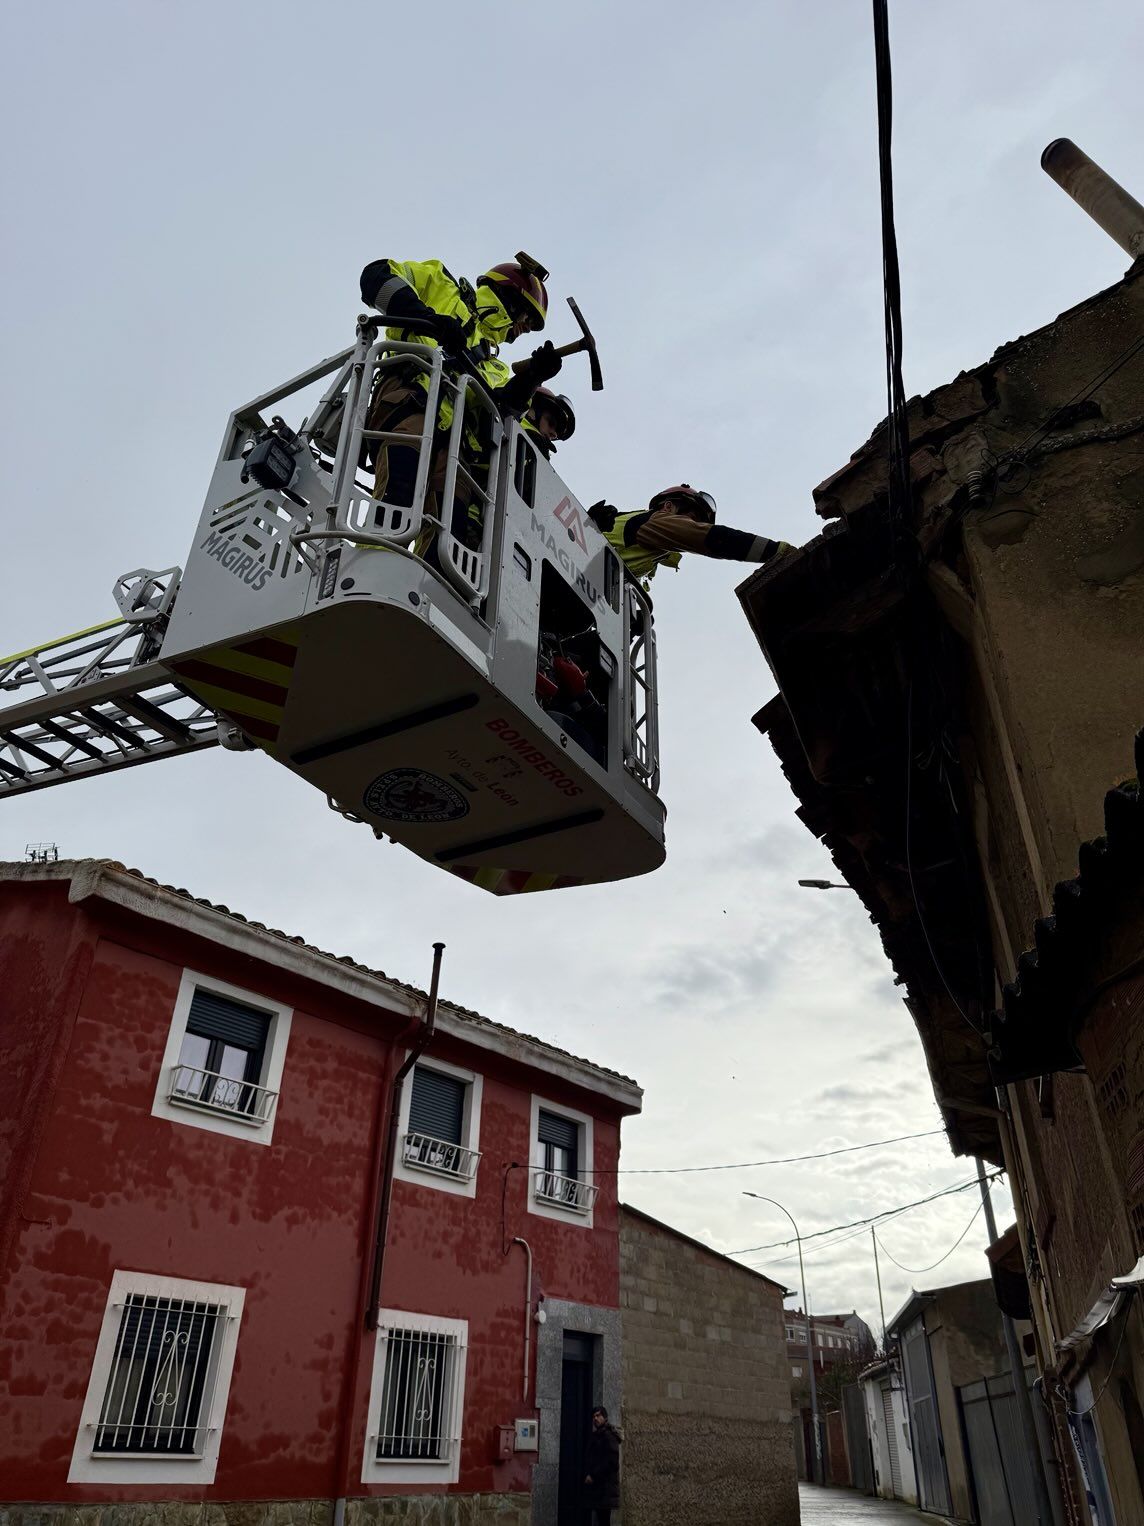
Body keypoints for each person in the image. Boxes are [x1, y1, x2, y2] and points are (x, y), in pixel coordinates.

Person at [357, 256, 563, 540]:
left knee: (450, 532)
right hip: (411, 401)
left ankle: (423, 584)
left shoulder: (494, 367)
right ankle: (372, 570)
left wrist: (531, 378)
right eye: (527, 317)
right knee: (401, 490)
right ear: (510, 297)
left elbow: (498, 410)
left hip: (454, 446)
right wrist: (428, 318)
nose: (525, 328)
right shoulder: (443, 287)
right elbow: (376, 275)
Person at [588, 484, 792, 588]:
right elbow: (716, 538)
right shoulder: (657, 521)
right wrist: (777, 552)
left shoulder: (636, 529)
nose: (692, 526)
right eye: (692, 518)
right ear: (668, 507)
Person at [582, 1405, 621, 1525]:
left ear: (605, 1417)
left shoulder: (609, 1436)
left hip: (605, 1488)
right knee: (601, 1519)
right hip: (598, 1488)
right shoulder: (596, 1436)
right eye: (593, 1416)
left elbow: (611, 1463)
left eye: (598, 1415)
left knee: (604, 1520)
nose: (595, 1418)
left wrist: (593, 1475)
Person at [523, 387, 576, 458]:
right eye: (551, 423)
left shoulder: (540, 455)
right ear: (533, 411)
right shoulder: (508, 415)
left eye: (558, 432)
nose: (554, 434)